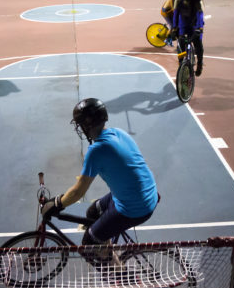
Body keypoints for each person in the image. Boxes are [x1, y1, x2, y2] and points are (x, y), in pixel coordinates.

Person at [42, 98, 159, 246]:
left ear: (86, 125)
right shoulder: (119, 132)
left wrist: (56, 204)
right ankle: (106, 247)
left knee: (88, 244)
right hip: (146, 194)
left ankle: (112, 262)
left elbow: (78, 192)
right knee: (92, 213)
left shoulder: (96, 151)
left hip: (134, 208)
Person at [170, 0, 205, 76]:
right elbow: (175, 15)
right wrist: (174, 28)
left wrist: (199, 29)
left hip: (195, 25)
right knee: (180, 45)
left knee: (198, 45)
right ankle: (181, 64)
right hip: (183, 24)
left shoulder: (198, 0)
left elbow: (200, 15)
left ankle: (200, 64)